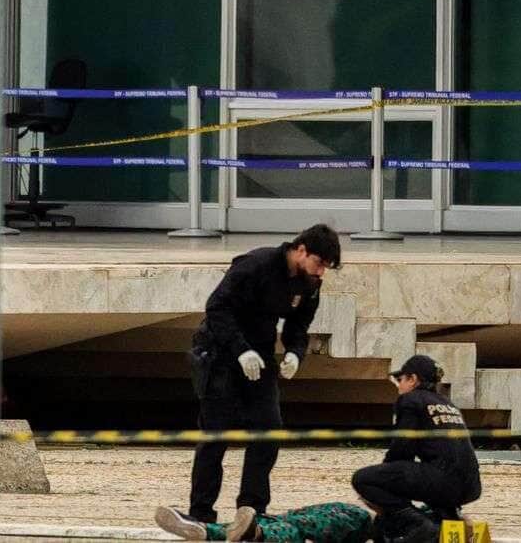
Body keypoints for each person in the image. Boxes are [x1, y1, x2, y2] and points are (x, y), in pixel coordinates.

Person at [184, 224, 342, 524]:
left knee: (268, 429)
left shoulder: (309, 284)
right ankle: (201, 513)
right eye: (319, 263)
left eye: (326, 268)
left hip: (261, 354)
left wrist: (295, 352)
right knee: (216, 434)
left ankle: (252, 508)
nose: (321, 273)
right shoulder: (256, 265)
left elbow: (298, 326)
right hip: (219, 351)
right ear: (302, 250)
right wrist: (240, 349)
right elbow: (216, 307)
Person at [352, 354, 482, 543]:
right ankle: (449, 520)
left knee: (363, 479)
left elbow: (403, 447)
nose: (399, 385)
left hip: (444, 482)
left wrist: (383, 478)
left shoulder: (411, 400)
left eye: (400, 379)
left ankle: (418, 524)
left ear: (413, 379)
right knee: (428, 473)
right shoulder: (447, 404)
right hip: (470, 486)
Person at [155, 503, 374, 543]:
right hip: (360, 520)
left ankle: (205, 530)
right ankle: (206, 531)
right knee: (291, 524)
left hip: (360, 521)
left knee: (295, 524)